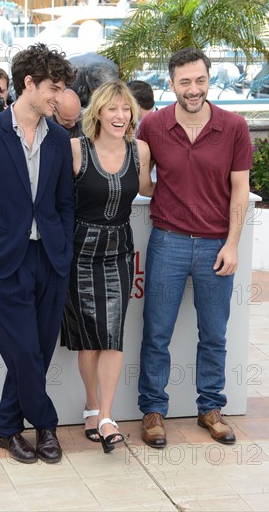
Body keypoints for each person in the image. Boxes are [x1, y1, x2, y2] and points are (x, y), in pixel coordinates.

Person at [0, 43, 76, 464]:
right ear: (29, 83)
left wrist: (61, 248)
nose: (59, 97)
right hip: (5, 261)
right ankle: (46, 425)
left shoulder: (60, 138)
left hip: (50, 259)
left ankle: (8, 427)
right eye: (54, 88)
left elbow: (64, 203)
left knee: (39, 350)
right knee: (24, 350)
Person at [137, 48, 253, 449]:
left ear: (209, 79)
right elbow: (143, 182)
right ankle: (153, 411)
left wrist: (233, 244)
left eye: (200, 80)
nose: (193, 89)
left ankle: (211, 409)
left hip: (216, 246)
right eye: (184, 81)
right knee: (156, 333)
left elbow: (240, 189)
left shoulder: (234, 125)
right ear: (171, 84)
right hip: (166, 241)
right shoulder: (151, 125)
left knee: (214, 334)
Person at [61, 81, 154, 453]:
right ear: (97, 111)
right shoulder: (75, 149)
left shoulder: (140, 150)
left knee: (112, 334)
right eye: (113, 108)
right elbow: (56, 201)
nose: (120, 116)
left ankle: (107, 416)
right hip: (79, 253)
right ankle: (91, 403)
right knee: (89, 339)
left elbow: (149, 188)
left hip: (119, 250)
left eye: (126, 109)